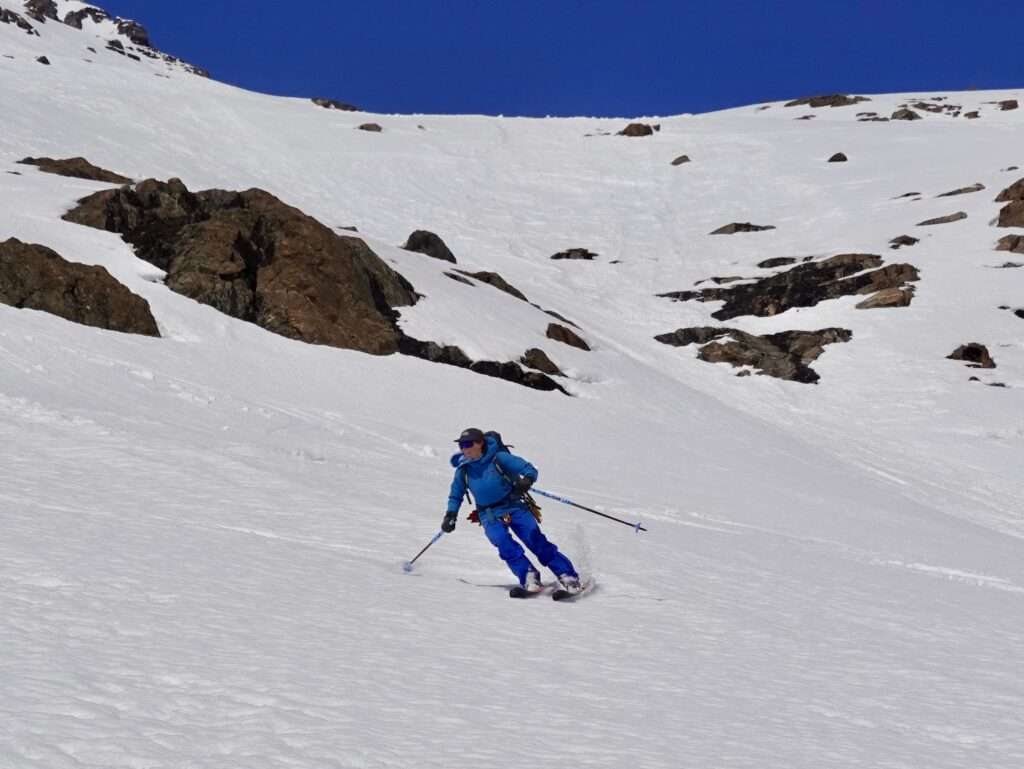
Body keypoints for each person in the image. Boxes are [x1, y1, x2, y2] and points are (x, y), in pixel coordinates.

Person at [442, 428, 581, 594]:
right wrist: (450, 515)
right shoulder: (463, 470)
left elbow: (529, 469)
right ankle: (528, 576)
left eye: (467, 444)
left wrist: (526, 480)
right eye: (461, 445)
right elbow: (455, 495)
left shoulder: (499, 458)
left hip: (514, 506)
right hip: (489, 514)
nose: (464, 449)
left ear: (480, 443)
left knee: (535, 540)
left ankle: (567, 575)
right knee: (502, 543)